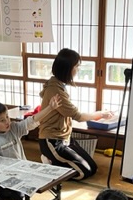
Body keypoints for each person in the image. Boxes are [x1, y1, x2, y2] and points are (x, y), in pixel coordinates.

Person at [38, 48, 114, 180]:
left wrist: (100, 114)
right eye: (77, 66)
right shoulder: (55, 90)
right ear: (67, 68)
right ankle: (50, 164)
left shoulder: (58, 84)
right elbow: (79, 117)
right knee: (84, 172)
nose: (78, 69)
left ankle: (54, 162)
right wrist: (101, 114)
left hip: (65, 138)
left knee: (92, 167)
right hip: (52, 140)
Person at [0, 96, 61, 200]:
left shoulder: (14, 128)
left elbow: (31, 121)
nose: (7, 121)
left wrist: (50, 108)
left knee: (35, 185)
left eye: (7, 117)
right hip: (4, 175)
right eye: (2, 120)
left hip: (22, 169)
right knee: (9, 196)